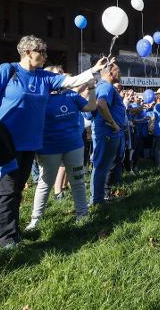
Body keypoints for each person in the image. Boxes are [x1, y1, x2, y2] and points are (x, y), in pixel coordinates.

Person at [0, 35, 109, 248]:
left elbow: (72, 81)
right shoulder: (7, 70)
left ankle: (13, 232)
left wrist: (94, 69)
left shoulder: (44, 77)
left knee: (18, 188)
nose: (46, 56)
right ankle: (4, 239)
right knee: (8, 189)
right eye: (42, 52)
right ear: (29, 52)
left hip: (30, 144)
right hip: (6, 142)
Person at [26, 67, 97, 230]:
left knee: (78, 182)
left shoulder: (71, 95)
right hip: (49, 148)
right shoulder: (40, 98)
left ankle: (82, 214)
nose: (61, 76)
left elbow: (91, 107)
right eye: (56, 74)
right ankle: (35, 219)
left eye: (61, 73)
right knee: (45, 184)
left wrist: (92, 88)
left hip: (74, 146)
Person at [88, 62, 123, 206]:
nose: (120, 74)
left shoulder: (103, 86)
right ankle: (97, 201)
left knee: (102, 165)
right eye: (118, 70)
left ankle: (98, 199)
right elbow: (101, 104)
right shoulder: (106, 86)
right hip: (107, 132)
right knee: (101, 166)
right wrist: (113, 124)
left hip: (106, 132)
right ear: (110, 73)